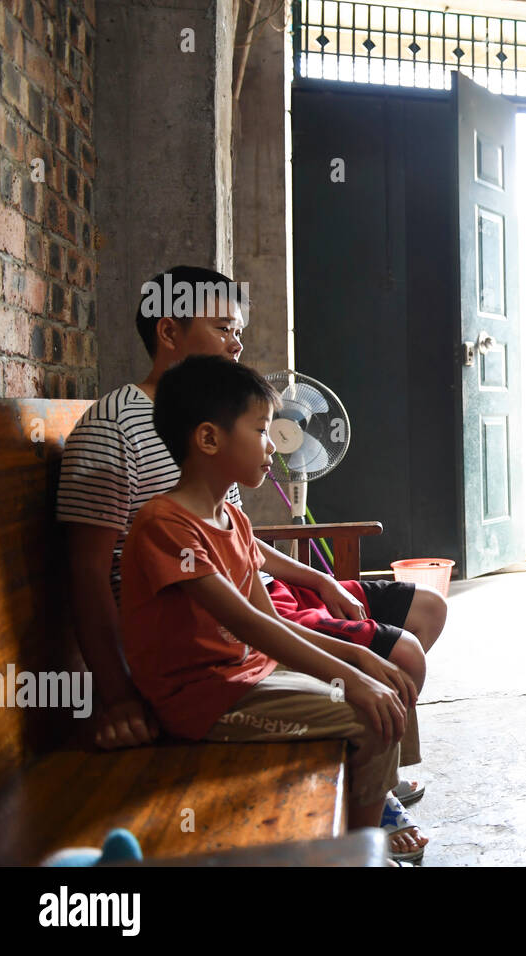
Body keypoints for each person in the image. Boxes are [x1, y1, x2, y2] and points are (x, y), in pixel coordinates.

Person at [57, 265, 444, 809]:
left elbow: (247, 575)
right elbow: (89, 573)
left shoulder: (219, 471)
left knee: (417, 621)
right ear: (169, 332)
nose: (238, 342)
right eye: (223, 328)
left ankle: (373, 787)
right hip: (194, 648)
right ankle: (369, 807)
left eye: (239, 329)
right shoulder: (114, 433)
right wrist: (117, 696)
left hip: (242, 619)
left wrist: (318, 587)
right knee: (379, 678)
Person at [119, 355, 424, 861]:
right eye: (261, 429)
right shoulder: (165, 526)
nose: (272, 444)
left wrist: (367, 660)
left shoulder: (233, 520)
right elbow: (249, 625)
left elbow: (272, 620)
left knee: (385, 676)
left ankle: (367, 815)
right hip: (204, 701)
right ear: (209, 439)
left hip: (251, 677)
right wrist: (352, 675)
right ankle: (359, 851)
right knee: (369, 716)